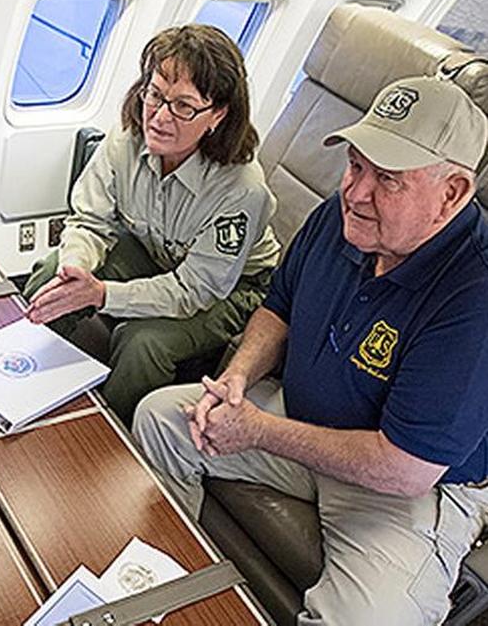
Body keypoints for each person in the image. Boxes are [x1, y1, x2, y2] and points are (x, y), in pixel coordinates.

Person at [134, 75, 488, 625]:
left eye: (388, 179)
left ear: (452, 194)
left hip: (403, 489)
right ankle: (184, 598)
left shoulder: (474, 296)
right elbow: (279, 308)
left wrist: (256, 430)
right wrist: (238, 379)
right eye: (356, 165)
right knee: (160, 419)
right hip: (299, 421)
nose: (357, 191)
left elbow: (407, 469)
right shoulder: (339, 216)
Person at [22, 25, 280, 425]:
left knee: (143, 344)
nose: (159, 117)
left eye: (183, 107)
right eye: (155, 94)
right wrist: (77, 269)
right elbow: (90, 220)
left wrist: (102, 295)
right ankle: (29, 391)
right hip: (154, 253)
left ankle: (109, 443)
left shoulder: (242, 189)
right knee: (50, 278)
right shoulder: (128, 136)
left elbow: (194, 289)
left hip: (230, 289)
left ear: (218, 115)